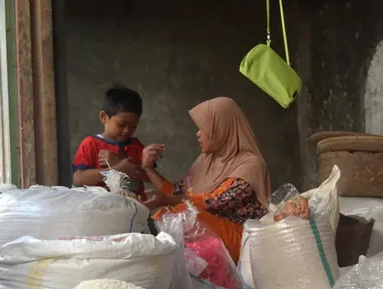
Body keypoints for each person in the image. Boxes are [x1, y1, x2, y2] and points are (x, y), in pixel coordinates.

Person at [142, 97, 271, 262]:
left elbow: (215, 201)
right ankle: (143, 244)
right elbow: (177, 193)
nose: (198, 133)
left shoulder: (250, 164)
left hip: (241, 239)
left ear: (221, 128)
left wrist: (169, 200)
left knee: (181, 212)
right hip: (208, 231)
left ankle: (145, 240)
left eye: (203, 128)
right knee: (176, 213)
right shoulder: (205, 161)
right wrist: (148, 169)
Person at [71, 85, 164, 200]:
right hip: (101, 211)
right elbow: (78, 179)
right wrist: (116, 169)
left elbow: (150, 178)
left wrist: (142, 165)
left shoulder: (136, 146)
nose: (127, 131)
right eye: (121, 124)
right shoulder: (91, 144)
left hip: (134, 210)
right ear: (104, 117)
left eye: (133, 126)